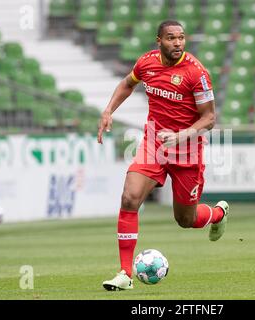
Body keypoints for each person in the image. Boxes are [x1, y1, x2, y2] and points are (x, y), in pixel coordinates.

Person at [98, 20, 229, 291]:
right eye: (171, 38)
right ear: (159, 40)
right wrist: (109, 109)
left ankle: (217, 214)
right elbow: (127, 83)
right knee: (129, 198)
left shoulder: (197, 73)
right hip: (154, 144)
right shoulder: (146, 63)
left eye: (181, 37)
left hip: (187, 151)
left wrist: (182, 135)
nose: (178, 43)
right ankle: (125, 273)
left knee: (186, 220)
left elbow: (209, 119)